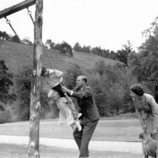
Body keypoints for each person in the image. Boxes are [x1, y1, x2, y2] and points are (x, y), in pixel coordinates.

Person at [62, 75, 100, 158]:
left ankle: (83, 155)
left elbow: (80, 95)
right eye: (76, 80)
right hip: (84, 118)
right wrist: (61, 89)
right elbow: (70, 93)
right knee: (76, 134)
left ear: (84, 82)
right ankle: (84, 154)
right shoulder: (77, 89)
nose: (76, 81)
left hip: (91, 119)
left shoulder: (88, 89)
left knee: (84, 141)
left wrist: (68, 91)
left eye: (78, 80)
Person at [41, 67, 82, 131]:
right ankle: (57, 100)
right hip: (54, 88)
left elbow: (61, 73)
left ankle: (75, 115)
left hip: (59, 86)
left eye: (44, 74)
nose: (44, 76)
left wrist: (59, 79)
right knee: (49, 95)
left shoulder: (53, 72)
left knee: (68, 99)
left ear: (46, 71)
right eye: (43, 75)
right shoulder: (44, 75)